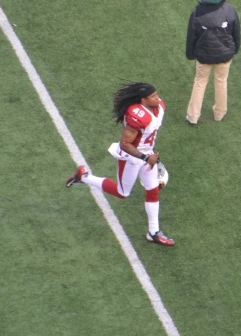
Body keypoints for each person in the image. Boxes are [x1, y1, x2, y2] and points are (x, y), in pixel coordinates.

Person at [65, 82, 174, 246]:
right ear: (143, 100)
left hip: (148, 153)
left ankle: (153, 232)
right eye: (153, 96)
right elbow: (125, 144)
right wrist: (146, 158)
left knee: (152, 190)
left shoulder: (159, 107)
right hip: (132, 157)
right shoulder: (137, 116)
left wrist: (148, 156)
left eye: (157, 94)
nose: (158, 98)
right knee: (122, 193)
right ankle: (84, 176)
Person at [185, 0, 241, 125]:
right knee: (221, 82)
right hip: (225, 55)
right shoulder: (230, 10)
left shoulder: (197, 12)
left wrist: (190, 54)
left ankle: (193, 116)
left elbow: (191, 35)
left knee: (199, 82)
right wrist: (234, 49)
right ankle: (219, 114)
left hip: (203, 56)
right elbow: (236, 33)